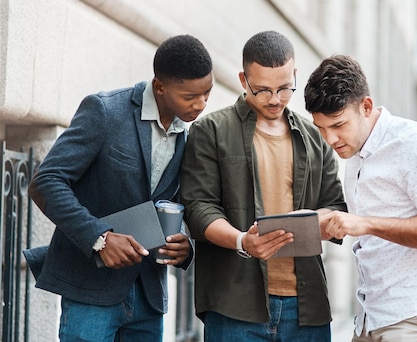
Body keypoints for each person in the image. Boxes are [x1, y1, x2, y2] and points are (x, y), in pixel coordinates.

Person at [27, 34, 214, 341]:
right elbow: (45, 182)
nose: (201, 105)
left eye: (207, 93)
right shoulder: (104, 111)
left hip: (149, 294)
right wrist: (99, 238)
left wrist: (185, 243)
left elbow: (183, 202)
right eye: (190, 96)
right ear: (159, 87)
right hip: (91, 289)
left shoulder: (191, 134)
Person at [180, 30, 346, 342]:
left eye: (285, 88)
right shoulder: (211, 130)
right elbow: (199, 208)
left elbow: (335, 205)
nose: (274, 99)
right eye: (263, 90)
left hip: (307, 309)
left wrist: (321, 224)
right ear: (244, 80)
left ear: (295, 74)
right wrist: (243, 241)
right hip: (234, 306)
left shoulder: (316, 138)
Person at [304, 54, 417, 342]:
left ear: (366, 106)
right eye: (322, 128)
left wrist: (365, 224)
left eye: (339, 124)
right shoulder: (355, 153)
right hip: (371, 318)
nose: (330, 139)